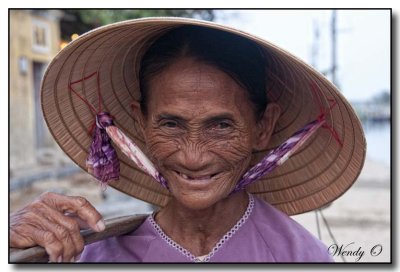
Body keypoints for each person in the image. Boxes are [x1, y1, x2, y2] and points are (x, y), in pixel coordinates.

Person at [10, 17, 366, 263]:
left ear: (264, 127)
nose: (193, 157)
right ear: (141, 123)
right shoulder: (92, 254)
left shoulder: (302, 258)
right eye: (171, 124)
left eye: (221, 126)